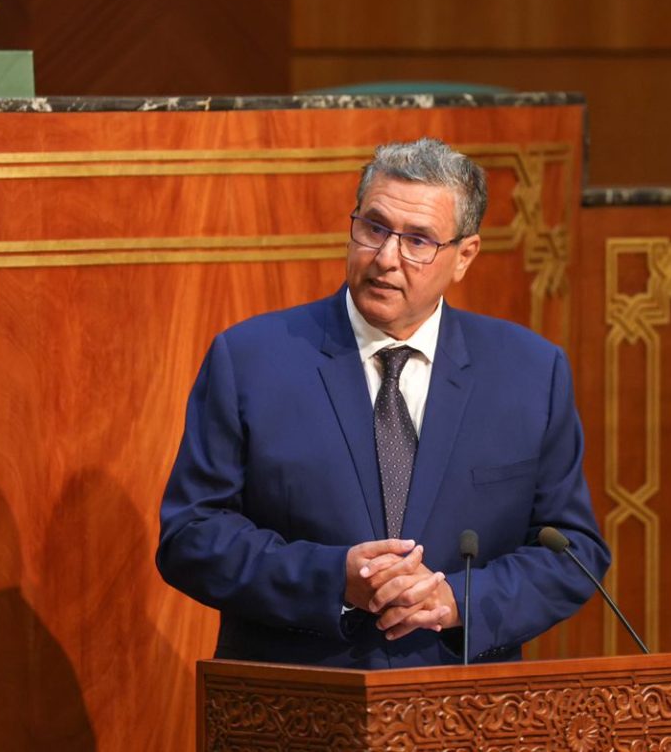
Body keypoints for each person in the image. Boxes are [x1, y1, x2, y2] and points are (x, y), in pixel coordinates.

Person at [156, 137, 609, 668]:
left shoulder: (529, 372)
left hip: (461, 700)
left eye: (418, 240)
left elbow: (572, 550)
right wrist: (333, 579)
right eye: (374, 228)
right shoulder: (252, 360)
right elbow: (191, 535)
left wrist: (460, 601)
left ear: (464, 256)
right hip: (298, 693)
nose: (386, 258)